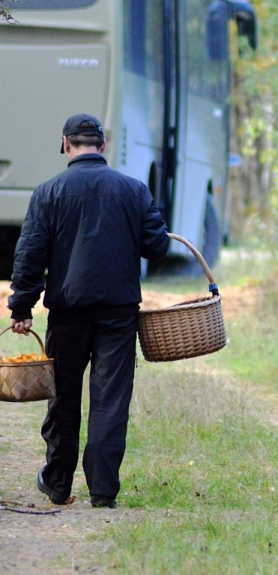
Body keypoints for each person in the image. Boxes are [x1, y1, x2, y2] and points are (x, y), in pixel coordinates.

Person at [7, 113, 170, 508]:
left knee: (62, 396)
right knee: (110, 400)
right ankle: (103, 491)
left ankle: (58, 483)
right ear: (103, 145)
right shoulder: (133, 190)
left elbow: (30, 253)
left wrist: (22, 305)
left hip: (68, 312)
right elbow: (158, 247)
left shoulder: (48, 192)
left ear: (65, 144)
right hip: (118, 314)